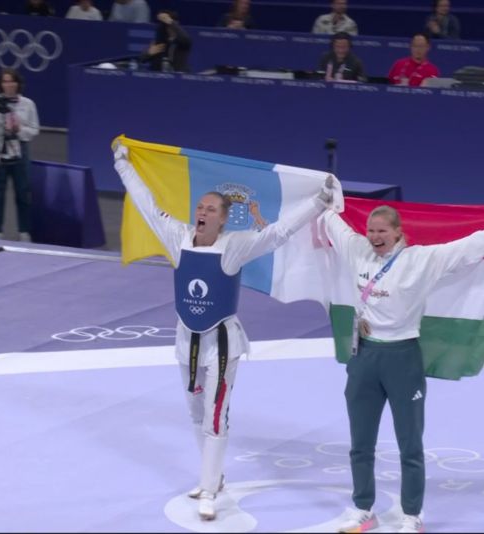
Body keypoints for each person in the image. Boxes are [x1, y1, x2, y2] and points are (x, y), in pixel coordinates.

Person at [112, 142, 335, 521]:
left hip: (222, 343)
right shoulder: (176, 238)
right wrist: (122, 165)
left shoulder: (234, 248)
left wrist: (318, 202)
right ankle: (211, 478)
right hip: (186, 341)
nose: (201, 212)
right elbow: (145, 203)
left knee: (216, 416)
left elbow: (278, 233)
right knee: (195, 413)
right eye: (200, 207)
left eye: (210, 209)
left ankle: (210, 489)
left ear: (224, 219)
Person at [321, 204, 484, 533]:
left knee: (409, 444)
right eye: (371, 230)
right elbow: (334, 226)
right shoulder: (358, 249)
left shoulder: (420, 260)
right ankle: (362, 509)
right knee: (360, 442)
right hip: (364, 358)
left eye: (382, 231)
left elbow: (463, 249)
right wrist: (323, 198)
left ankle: (411, 515)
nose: (375, 237)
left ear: (398, 232)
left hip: (402, 359)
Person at [0, 68, 39, 242]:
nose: (8, 85)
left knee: (23, 191)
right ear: (0, 84)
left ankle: (24, 231)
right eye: (5, 81)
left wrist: (18, 130)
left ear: (17, 83)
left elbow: (35, 129)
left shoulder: (28, 104)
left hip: (20, 149)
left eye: (11, 81)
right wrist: (2, 130)